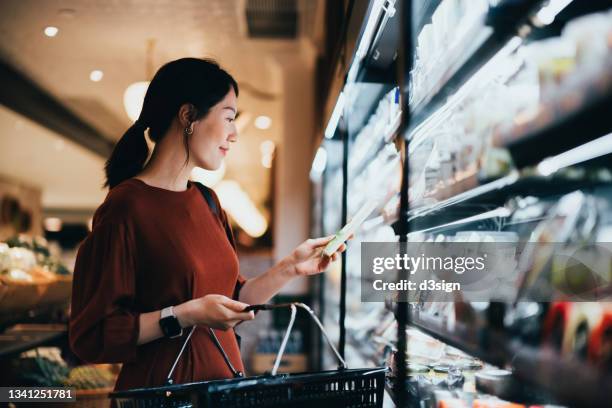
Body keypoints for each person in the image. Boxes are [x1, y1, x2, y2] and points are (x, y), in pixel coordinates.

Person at [69, 58, 346, 391]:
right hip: (164, 394)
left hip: (224, 388)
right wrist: (183, 315)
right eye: (228, 117)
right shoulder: (126, 207)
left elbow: (233, 298)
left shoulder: (207, 201)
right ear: (188, 117)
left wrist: (291, 268)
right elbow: (92, 335)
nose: (234, 134)